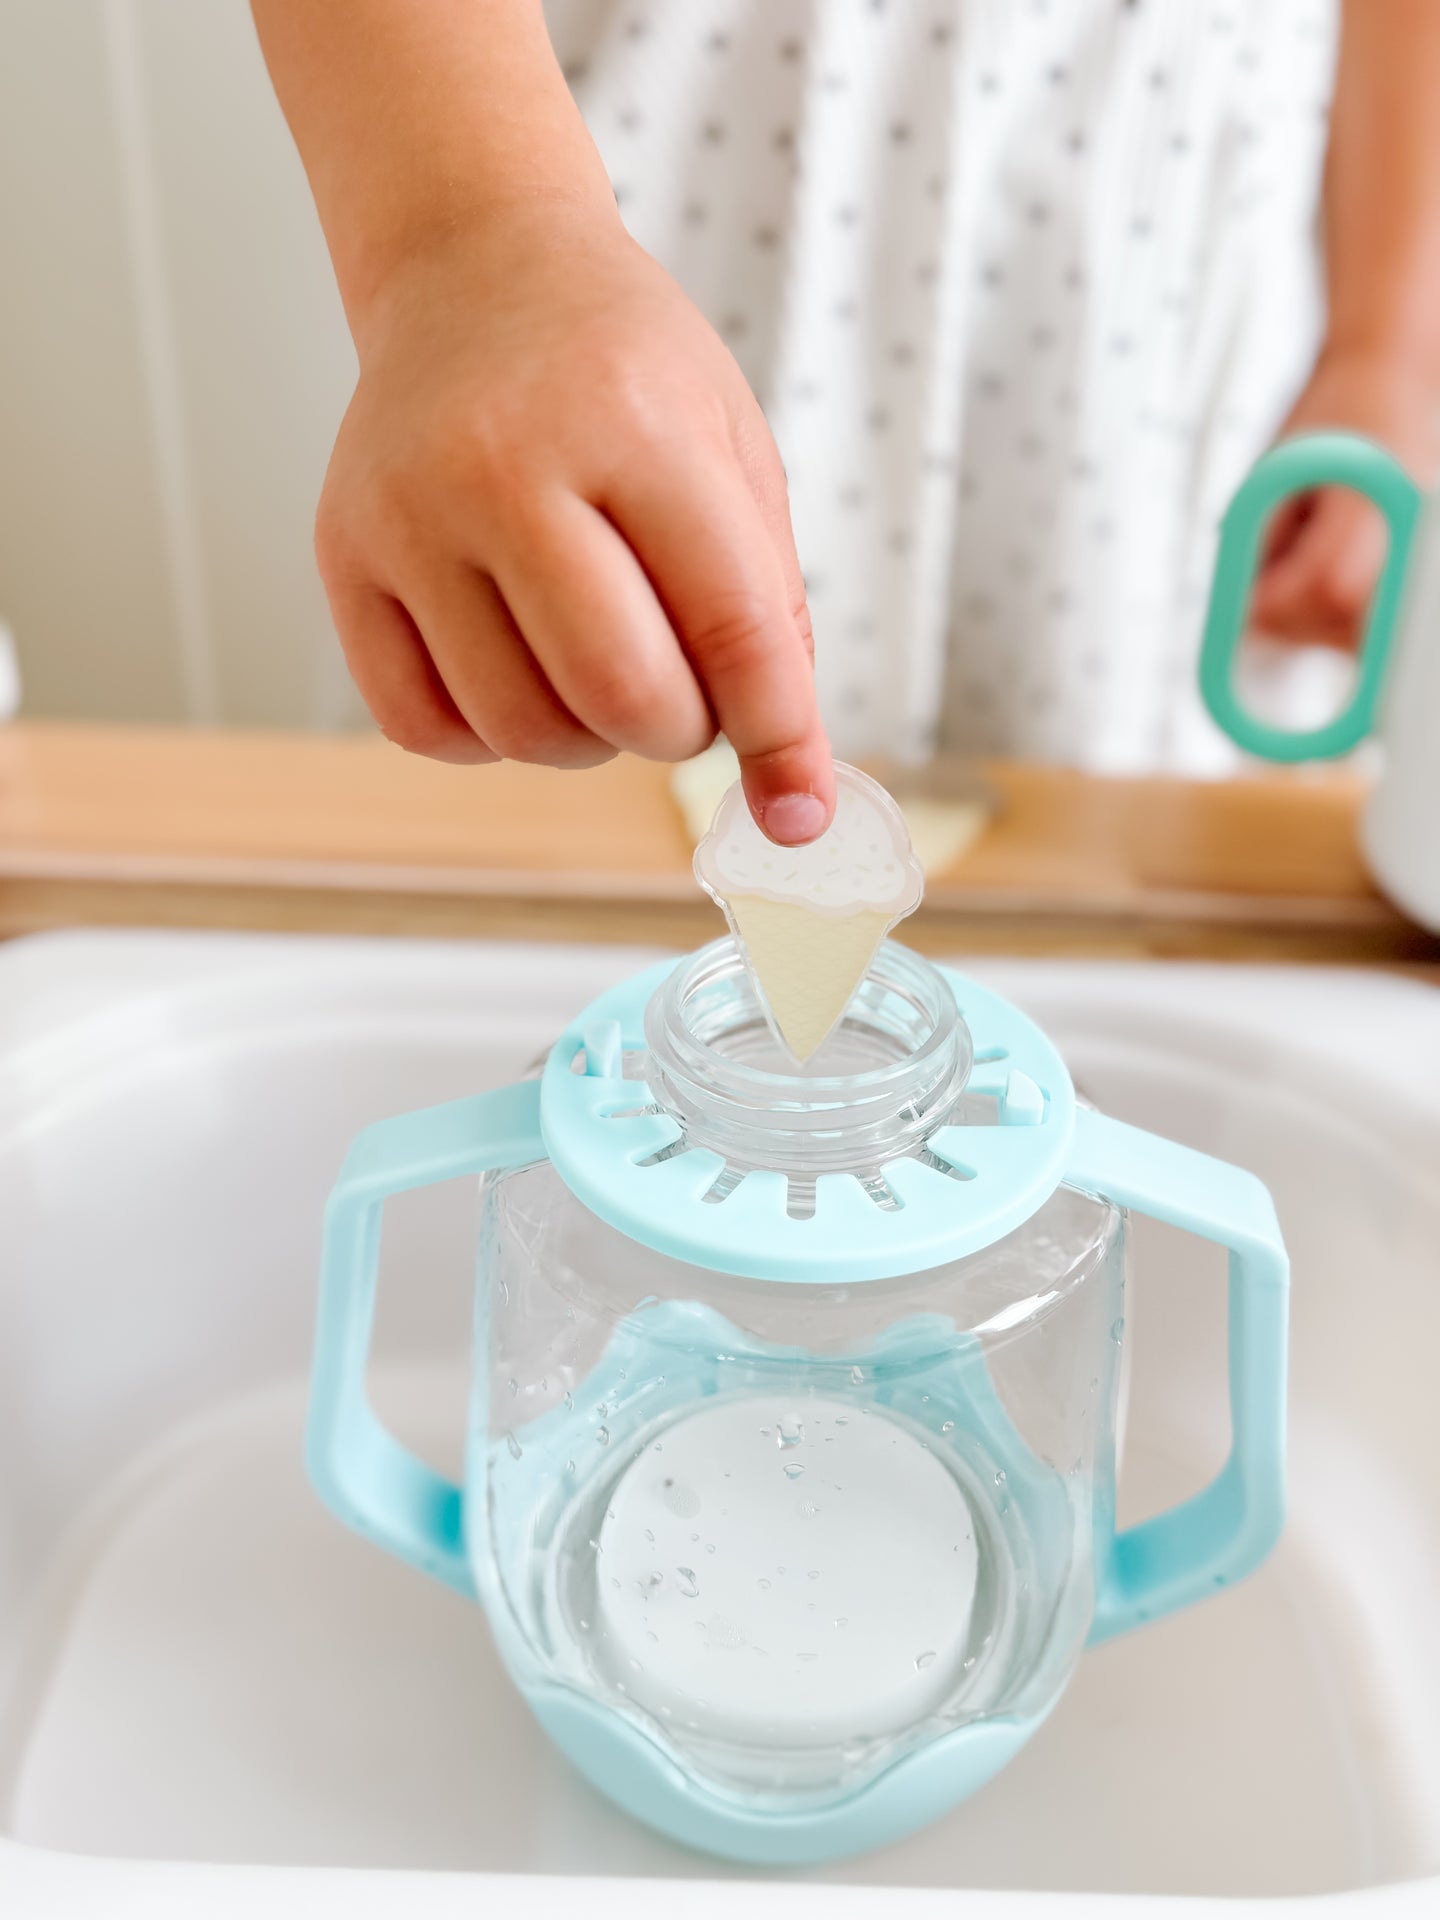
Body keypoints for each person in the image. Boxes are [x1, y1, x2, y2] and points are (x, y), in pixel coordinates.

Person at [252, 0, 1440, 841]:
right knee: (565, 754)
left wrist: (1391, 341)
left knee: (1123, 879)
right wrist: (470, 240)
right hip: (654, 209)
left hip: (1167, 279)